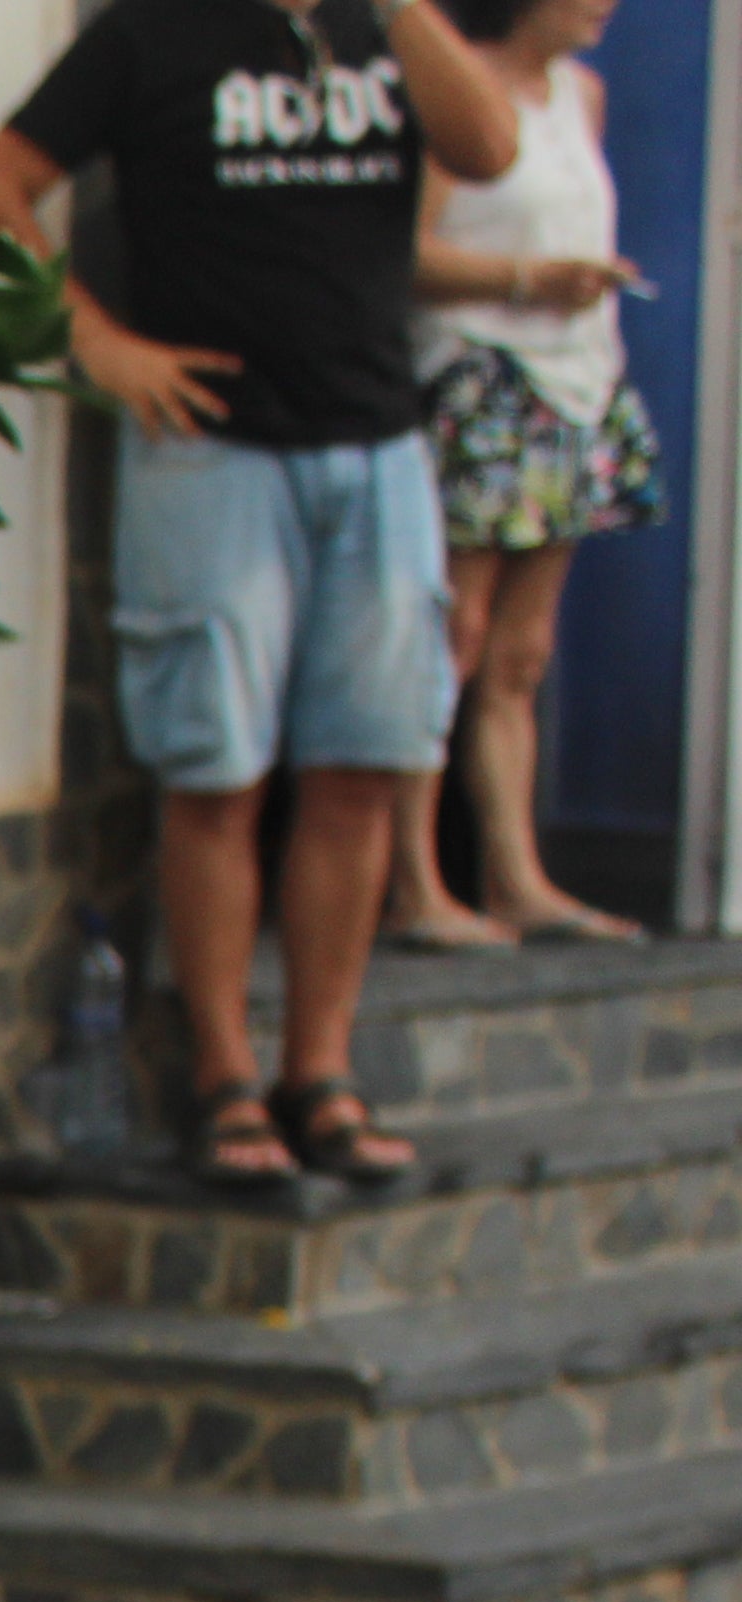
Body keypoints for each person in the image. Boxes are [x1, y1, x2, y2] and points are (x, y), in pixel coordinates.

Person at [0, 0, 521, 1185]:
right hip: (208, 450)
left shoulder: (391, 32)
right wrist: (95, 340)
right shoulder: (149, 35)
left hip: (376, 445)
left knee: (364, 771)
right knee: (213, 773)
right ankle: (223, 1078)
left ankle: (321, 1071)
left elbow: (490, 147)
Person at [385, 0, 658, 946]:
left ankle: (515, 876)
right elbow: (401, 257)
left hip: (578, 386)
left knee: (521, 651)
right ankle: (416, 882)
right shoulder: (451, 87)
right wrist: (522, 281)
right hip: (483, 379)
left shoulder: (582, 96)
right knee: (451, 635)